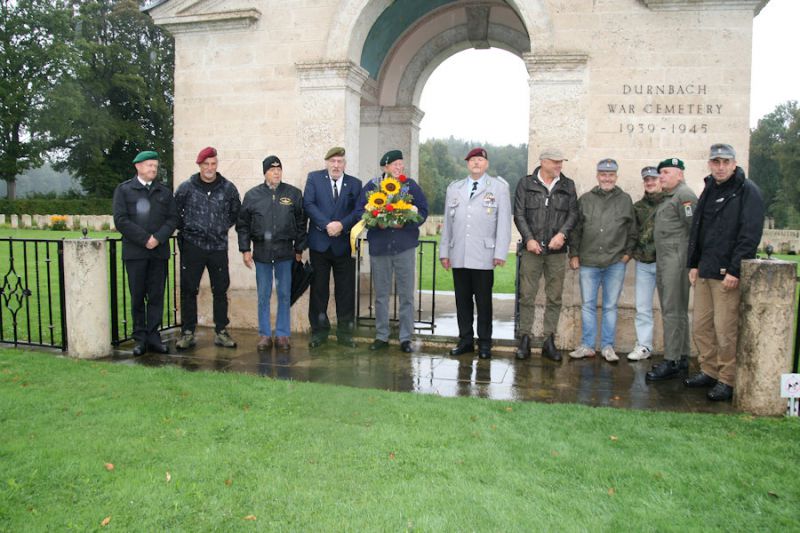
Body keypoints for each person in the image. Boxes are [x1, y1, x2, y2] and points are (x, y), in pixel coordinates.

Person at [685, 144, 764, 401]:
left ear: (733, 163)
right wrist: (694, 264)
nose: (720, 167)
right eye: (715, 162)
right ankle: (708, 370)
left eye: (725, 162)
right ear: (710, 164)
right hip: (705, 270)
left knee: (725, 329)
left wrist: (735, 269)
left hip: (726, 275)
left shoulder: (747, 191)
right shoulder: (709, 188)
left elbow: (749, 234)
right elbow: (698, 230)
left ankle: (726, 379)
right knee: (701, 327)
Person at [354, 150, 428, 353]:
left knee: (406, 294)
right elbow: (360, 210)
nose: (399, 168)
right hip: (380, 248)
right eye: (395, 164)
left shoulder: (409, 185)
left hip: (404, 246)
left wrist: (408, 220)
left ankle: (405, 337)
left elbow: (423, 210)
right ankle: (381, 336)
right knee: (381, 295)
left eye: (401, 164)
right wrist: (377, 222)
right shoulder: (372, 186)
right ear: (385, 167)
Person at [440, 147, 512, 359]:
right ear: (467, 164)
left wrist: (500, 252)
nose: (476, 163)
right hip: (459, 253)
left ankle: (485, 343)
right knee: (462, 301)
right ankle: (465, 340)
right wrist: (445, 252)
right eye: (472, 160)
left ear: (486, 164)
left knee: (483, 302)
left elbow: (504, 224)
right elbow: (448, 223)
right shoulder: (455, 188)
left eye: (480, 160)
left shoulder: (498, 188)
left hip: (484, 255)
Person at [513, 149, 578, 361]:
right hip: (531, 250)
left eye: (561, 162)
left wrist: (562, 234)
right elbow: (519, 213)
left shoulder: (567, 185)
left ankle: (549, 340)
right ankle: (525, 338)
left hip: (557, 251)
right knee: (527, 295)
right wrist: (529, 239)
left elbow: (573, 214)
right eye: (555, 162)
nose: (559, 166)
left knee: (555, 297)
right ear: (543, 162)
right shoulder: (526, 183)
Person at [236, 155, 307, 351]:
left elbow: (302, 223)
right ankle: (265, 334)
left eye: (279, 169)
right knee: (263, 294)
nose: (276, 172)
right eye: (272, 169)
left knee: (284, 294)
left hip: (286, 252)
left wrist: (299, 248)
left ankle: (283, 335)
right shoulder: (252, 195)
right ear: (265, 172)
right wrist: (245, 249)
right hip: (262, 253)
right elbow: (243, 225)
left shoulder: (293, 193)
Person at [173, 147, 241, 350]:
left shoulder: (228, 188)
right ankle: (187, 332)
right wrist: (191, 230)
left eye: (213, 164)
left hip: (218, 247)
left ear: (216, 165)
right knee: (188, 290)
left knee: (220, 290)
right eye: (206, 164)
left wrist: (219, 227)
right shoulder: (186, 187)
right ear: (200, 165)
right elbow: (175, 214)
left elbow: (235, 212)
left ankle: (221, 331)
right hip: (193, 246)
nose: (210, 168)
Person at [568, 158, 636, 362]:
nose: (607, 178)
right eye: (603, 174)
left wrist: (627, 254)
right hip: (588, 260)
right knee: (587, 305)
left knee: (610, 306)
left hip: (615, 261)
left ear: (616, 176)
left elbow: (632, 230)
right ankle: (587, 345)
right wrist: (574, 254)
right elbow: (576, 229)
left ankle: (608, 346)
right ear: (597, 176)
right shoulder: (586, 199)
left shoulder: (625, 199)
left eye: (611, 174)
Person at [112, 150, 178, 356]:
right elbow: (121, 220)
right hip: (136, 253)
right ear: (138, 166)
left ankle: (153, 336)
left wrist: (157, 238)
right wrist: (144, 239)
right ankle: (139, 338)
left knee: (156, 295)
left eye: (155, 166)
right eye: (149, 165)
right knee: (137, 296)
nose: (153, 169)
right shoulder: (124, 190)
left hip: (158, 253)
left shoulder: (164, 192)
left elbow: (173, 219)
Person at [303, 146, 362, 348]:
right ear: (327, 162)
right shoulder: (314, 178)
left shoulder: (355, 184)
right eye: (333, 161)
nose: (336, 165)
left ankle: (345, 334)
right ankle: (319, 333)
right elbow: (308, 204)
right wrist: (326, 224)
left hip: (344, 245)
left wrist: (341, 225)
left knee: (345, 292)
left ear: (345, 164)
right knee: (319, 291)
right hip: (320, 244)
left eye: (340, 162)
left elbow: (359, 211)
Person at [646, 158, 697, 380]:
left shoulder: (684, 196)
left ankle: (672, 359)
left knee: (671, 311)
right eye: (661, 173)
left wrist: (692, 262)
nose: (662, 176)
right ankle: (682, 356)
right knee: (677, 311)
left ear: (680, 174)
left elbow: (693, 229)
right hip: (667, 260)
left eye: (667, 172)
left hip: (676, 261)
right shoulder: (670, 197)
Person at [627, 166, 663, 361]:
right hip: (644, 262)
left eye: (654, 179)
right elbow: (633, 232)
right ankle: (644, 345)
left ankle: (674, 352)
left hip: (665, 262)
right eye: (647, 180)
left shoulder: (670, 203)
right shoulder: (638, 207)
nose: (650, 183)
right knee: (642, 307)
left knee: (670, 308)